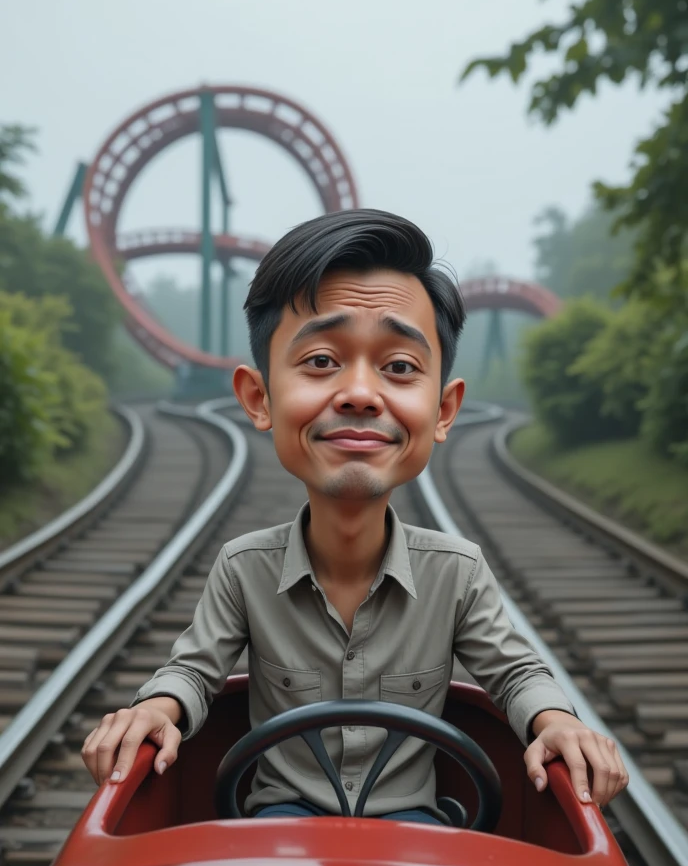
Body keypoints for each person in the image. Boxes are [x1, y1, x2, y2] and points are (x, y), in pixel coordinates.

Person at [82, 209, 629, 822]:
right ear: (258, 398)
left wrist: (558, 723)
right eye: (320, 361)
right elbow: (192, 670)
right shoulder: (243, 569)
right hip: (279, 825)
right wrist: (153, 711)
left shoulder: (458, 573)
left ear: (444, 410)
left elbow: (516, 671)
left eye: (399, 367)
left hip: (412, 830)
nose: (361, 394)